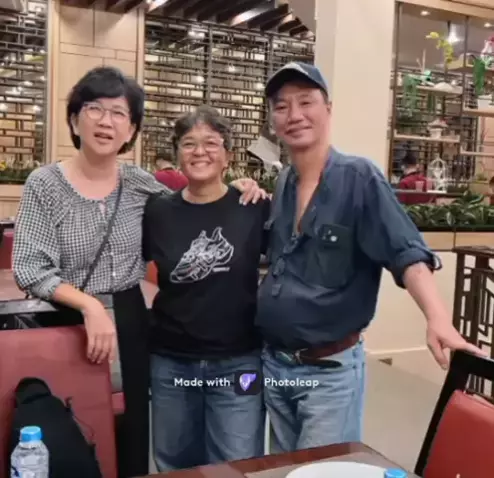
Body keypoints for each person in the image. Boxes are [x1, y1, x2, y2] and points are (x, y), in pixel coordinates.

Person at [11, 67, 264, 477]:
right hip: (68, 320)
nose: (106, 122)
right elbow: (28, 267)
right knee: (77, 428)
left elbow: (196, 202)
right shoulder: (45, 184)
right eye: (94, 109)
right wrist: (89, 305)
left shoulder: (139, 184)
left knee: (132, 434)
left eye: (119, 113)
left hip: (131, 322)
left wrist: (239, 187)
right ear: (74, 120)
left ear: (131, 130)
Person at [256, 62, 485, 453]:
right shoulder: (283, 182)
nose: (294, 115)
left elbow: (405, 252)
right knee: (283, 469)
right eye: (282, 106)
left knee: (321, 471)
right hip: (277, 367)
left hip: (328, 374)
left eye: (305, 102)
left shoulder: (359, 178)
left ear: (328, 109)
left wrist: (437, 318)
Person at [143, 105, 270, 472]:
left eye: (211, 143)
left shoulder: (253, 207)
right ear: (177, 154)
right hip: (171, 362)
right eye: (189, 143)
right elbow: (137, 269)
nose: (200, 152)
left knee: (239, 464)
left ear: (228, 155)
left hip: (240, 362)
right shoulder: (158, 211)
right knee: (174, 464)